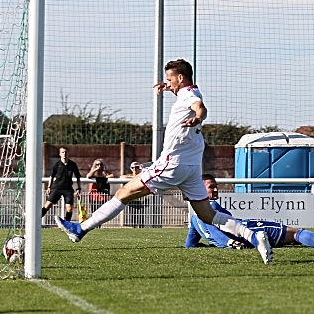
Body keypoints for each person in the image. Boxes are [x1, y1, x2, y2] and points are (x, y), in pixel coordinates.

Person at [55, 59, 273, 264]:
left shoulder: (190, 96)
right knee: (208, 215)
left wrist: (199, 117)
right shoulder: (188, 92)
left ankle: (80, 230)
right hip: (191, 169)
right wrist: (170, 89)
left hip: (172, 165)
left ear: (180, 78)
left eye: (170, 79)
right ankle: (254, 237)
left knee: (123, 194)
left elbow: (199, 107)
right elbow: (190, 98)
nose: (168, 83)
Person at [185, 174, 314, 249]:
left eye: (215, 187)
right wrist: (230, 243)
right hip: (250, 230)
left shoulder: (194, 216)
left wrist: (214, 245)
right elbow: (217, 231)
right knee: (295, 233)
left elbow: (190, 245)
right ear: (200, 189)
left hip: (244, 237)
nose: (215, 190)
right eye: (211, 187)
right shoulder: (211, 207)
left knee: (294, 238)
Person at [42, 146, 82, 221]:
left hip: (68, 188)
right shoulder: (57, 165)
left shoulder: (72, 164)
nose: (64, 154)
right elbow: (51, 176)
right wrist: (49, 187)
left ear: (68, 153)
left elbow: (78, 177)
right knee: (48, 205)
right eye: (63, 152)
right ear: (60, 154)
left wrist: (79, 188)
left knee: (69, 208)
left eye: (66, 152)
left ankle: (66, 224)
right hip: (57, 187)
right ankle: (36, 219)